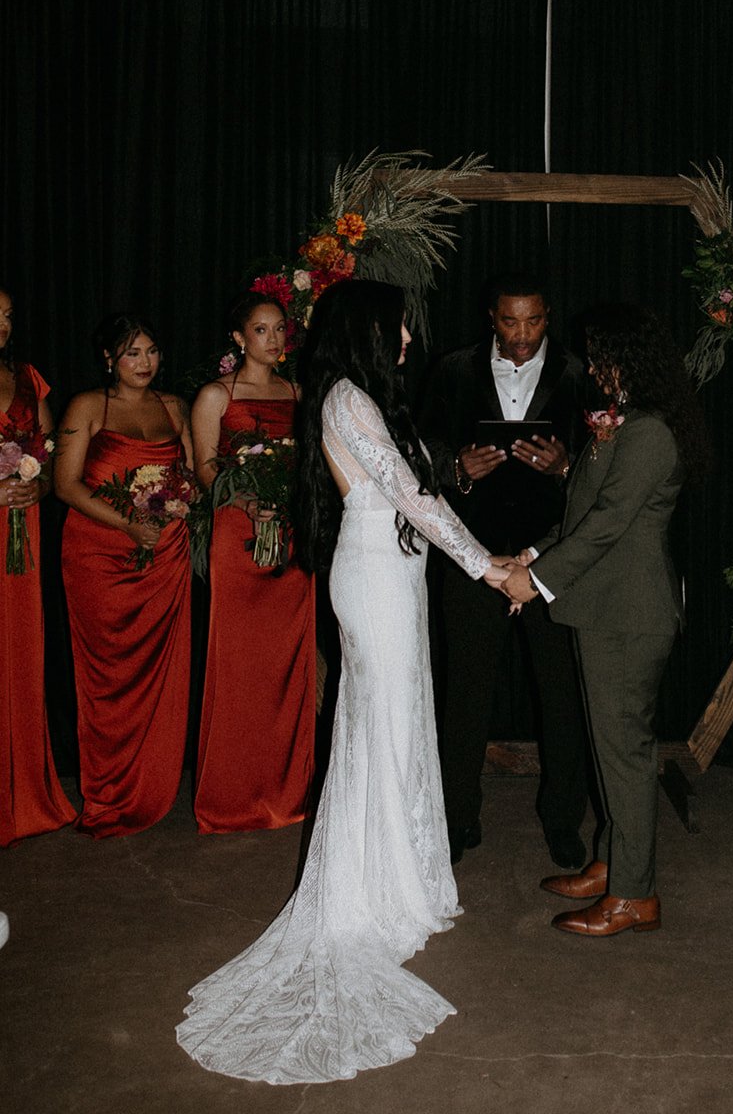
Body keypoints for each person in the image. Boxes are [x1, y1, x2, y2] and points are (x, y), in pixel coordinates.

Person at [177, 280, 514, 1084]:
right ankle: (375, 894)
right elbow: (410, 497)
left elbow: (422, 489)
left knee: (393, 722)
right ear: (370, 332)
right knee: (385, 722)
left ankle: (401, 877)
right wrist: (486, 566)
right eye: (398, 329)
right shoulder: (348, 401)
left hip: (390, 572)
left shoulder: (359, 397)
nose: (407, 340)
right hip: (375, 574)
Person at [504, 303, 709, 938]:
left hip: (628, 614)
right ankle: (616, 862)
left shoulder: (648, 432)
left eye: (602, 354)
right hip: (604, 609)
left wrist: (534, 583)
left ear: (630, 357)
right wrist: (532, 554)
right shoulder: (629, 423)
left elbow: (609, 523)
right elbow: (580, 511)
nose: (594, 365)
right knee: (610, 750)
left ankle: (634, 896)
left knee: (625, 756)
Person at [419, 272, 592, 867]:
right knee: (464, 693)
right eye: (510, 322)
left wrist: (567, 465)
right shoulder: (451, 369)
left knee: (563, 696)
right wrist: (459, 467)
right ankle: (457, 817)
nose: (522, 336)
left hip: (555, 558)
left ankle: (564, 819)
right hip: (473, 555)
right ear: (490, 317)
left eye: (534, 321)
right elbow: (420, 452)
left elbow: (604, 465)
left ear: (549, 316)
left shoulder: (579, 372)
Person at [55, 313, 194, 838]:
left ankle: (151, 786)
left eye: (152, 351)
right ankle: (108, 793)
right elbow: (66, 485)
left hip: (164, 557)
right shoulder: (88, 406)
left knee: (158, 675)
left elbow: (187, 478)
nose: (145, 363)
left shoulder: (174, 407)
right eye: (132, 353)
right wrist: (129, 524)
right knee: (106, 677)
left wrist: (185, 503)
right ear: (109, 359)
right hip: (99, 556)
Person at [190, 294, 316, 833]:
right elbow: (204, 467)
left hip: (289, 539)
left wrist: (290, 499)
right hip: (238, 539)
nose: (274, 340)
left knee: (288, 667)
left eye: (279, 329)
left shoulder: (299, 392)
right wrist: (244, 498)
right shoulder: (217, 395)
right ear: (239, 340)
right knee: (239, 668)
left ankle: (286, 793)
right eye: (261, 331)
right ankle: (231, 796)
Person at [0, 285, 76, 846]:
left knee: (20, 656)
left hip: (21, 537)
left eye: (7, 316)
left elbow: (49, 457)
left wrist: (38, 484)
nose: (2, 326)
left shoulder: (29, 377)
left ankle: (26, 792)